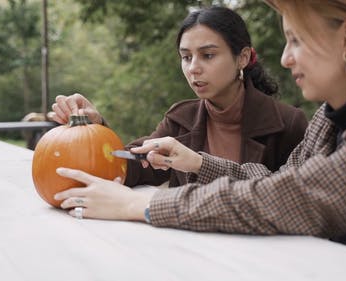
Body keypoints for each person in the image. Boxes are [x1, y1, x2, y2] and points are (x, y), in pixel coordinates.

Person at [53, 0, 346, 274]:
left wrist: (144, 206)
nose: (287, 58)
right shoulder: (331, 117)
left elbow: (290, 199)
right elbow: (279, 182)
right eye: (186, 57)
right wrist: (198, 162)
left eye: (297, 40)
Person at [49, 6, 307, 187]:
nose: (193, 67)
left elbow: (293, 197)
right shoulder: (181, 117)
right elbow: (131, 168)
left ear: (242, 57)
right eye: (186, 57)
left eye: (208, 55)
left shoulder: (289, 123)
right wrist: (95, 129)